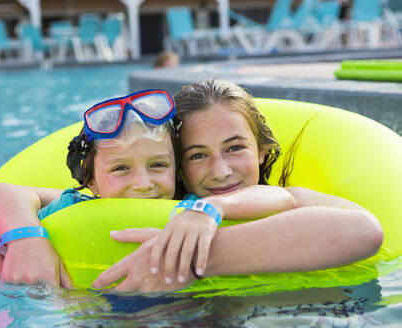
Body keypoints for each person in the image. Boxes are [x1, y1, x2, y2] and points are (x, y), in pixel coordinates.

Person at [91, 79, 384, 292]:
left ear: (261, 151)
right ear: (177, 167)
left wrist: (191, 254)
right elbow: (47, 196)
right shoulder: (159, 206)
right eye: (197, 155)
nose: (220, 171)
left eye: (234, 148)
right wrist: (40, 232)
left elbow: (365, 230)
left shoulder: (288, 200)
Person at [0, 89, 182, 288]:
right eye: (121, 168)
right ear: (92, 182)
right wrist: (27, 240)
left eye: (158, 165)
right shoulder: (75, 207)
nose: (143, 184)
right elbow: (1, 193)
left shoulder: (194, 212)